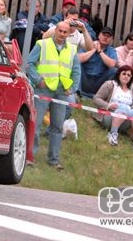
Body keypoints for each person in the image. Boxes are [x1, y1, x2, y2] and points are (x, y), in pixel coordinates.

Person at [27, 21, 80, 170]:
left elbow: (76, 71)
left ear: (68, 34)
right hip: (43, 90)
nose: (62, 34)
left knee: (57, 127)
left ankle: (54, 160)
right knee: (36, 124)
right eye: (60, 31)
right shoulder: (42, 44)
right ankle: (29, 156)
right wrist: (38, 80)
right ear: (55, 30)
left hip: (61, 92)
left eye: (65, 32)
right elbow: (29, 63)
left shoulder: (72, 50)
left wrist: (72, 88)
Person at [93, 65, 133, 150]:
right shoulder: (110, 84)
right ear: (119, 74)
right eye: (124, 74)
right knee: (124, 107)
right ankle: (112, 134)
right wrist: (108, 105)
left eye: (129, 75)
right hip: (109, 116)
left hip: (125, 121)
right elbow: (96, 99)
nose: (126, 76)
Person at [78, 26, 118, 97]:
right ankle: (78, 93)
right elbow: (79, 59)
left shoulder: (111, 50)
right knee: (77, 64)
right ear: (99, 35)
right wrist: (93, 50)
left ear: (111, 39)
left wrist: (100, 51)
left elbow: (112, 64)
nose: (105, 37)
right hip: (85, 78)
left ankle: (101, 96)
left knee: (114, 70)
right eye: (104, 35)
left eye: (108, 36)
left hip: (100, 82)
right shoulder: (88, 44)